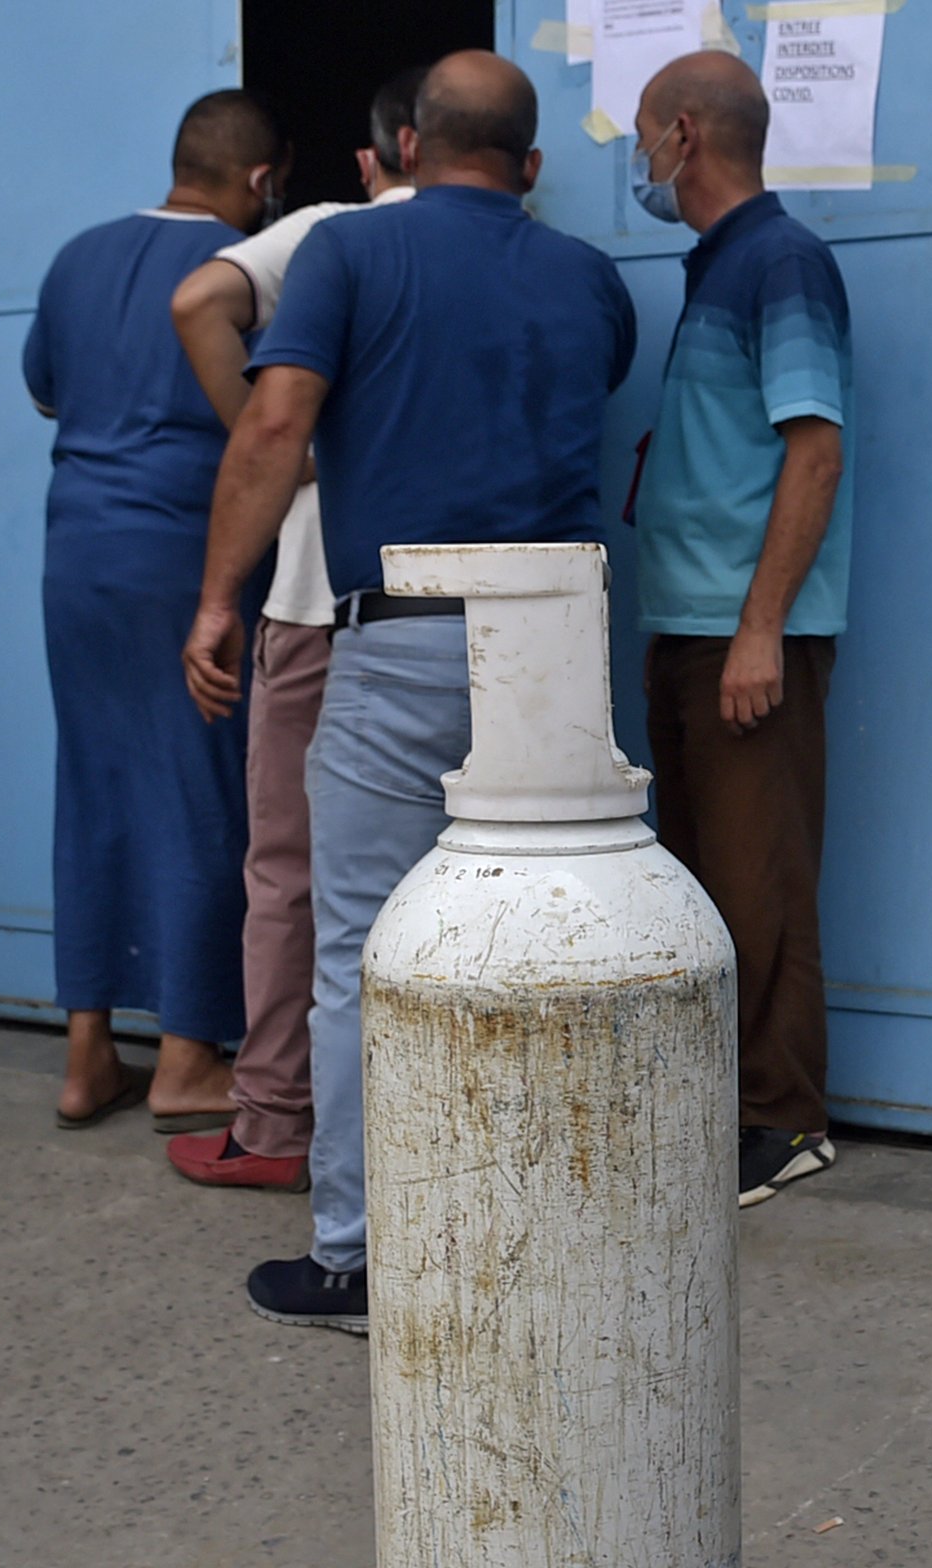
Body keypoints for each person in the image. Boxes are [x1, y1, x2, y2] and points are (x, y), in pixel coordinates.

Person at [183, 50, 637, 1332]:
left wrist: (220, 600)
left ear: (412, 146)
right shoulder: (588, 278)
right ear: (532, 164)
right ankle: (541, 1227)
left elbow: (275, 429)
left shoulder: (348, 254)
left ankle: (361, 1256)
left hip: (403, 639)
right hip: (555, 647)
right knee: (545, 939)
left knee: (363, 950)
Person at [162, 68, 425, 1194]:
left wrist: (288, 449)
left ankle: (277, 1117)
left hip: (320, 606)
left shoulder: (330, 231)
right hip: (472, 610)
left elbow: (195, 302)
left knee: (290, 871)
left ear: (378, 157)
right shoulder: (523, 252)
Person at [23, 90, 286, 1133]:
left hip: (77, 558)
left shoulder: (76, 257)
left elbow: (49, 393)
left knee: (92, 789)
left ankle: (88, 1057)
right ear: (263, 183)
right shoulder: (249, 272)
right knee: (206, 794)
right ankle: (186, 1057)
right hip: (188, 557)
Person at [628, 52, 856, 1207]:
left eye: (642, 141)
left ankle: (780, 1118)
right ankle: (735, 1101)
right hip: (691, 620)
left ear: (682, 134)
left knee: (755, 877)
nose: (640, 167)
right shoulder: (716, 267)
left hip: (741, 629)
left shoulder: (781, 263)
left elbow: (814, 451)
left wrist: (760, 627)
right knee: (708, 876)